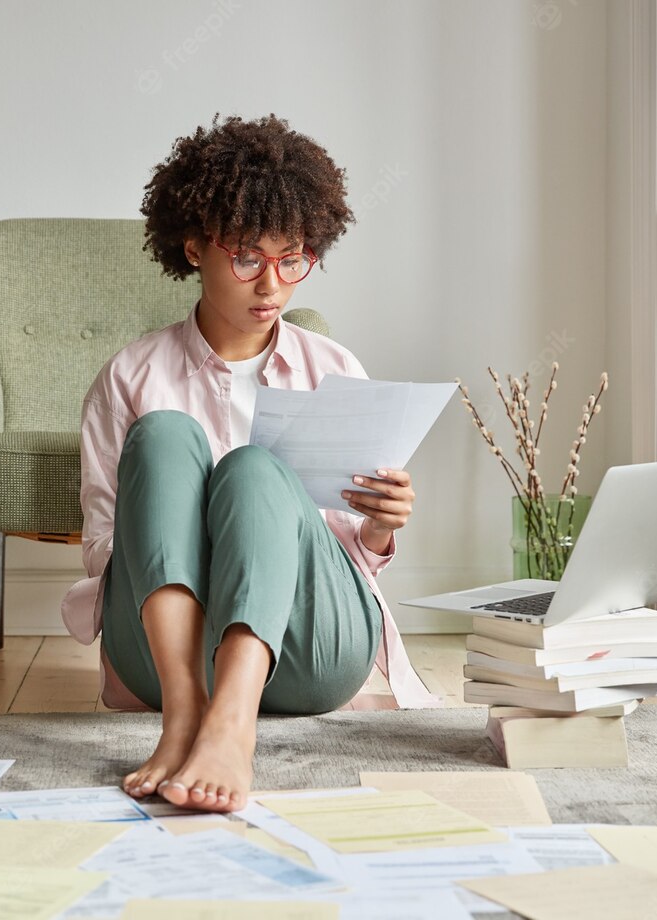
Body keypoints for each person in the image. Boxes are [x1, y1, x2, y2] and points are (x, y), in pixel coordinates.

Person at [60, 114, 440, 816]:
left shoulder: (333, 369)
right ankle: (184, 719)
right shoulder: (131, 376)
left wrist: (382, 527)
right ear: (195, 247)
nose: (273, 285)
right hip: (164, 655)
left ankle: (232, 727)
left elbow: (354, 553)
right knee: (166, 437)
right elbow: (104, 546)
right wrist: (195, 550)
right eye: (247, 258)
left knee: (254, 471)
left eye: (293, 258)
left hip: (305, 652)